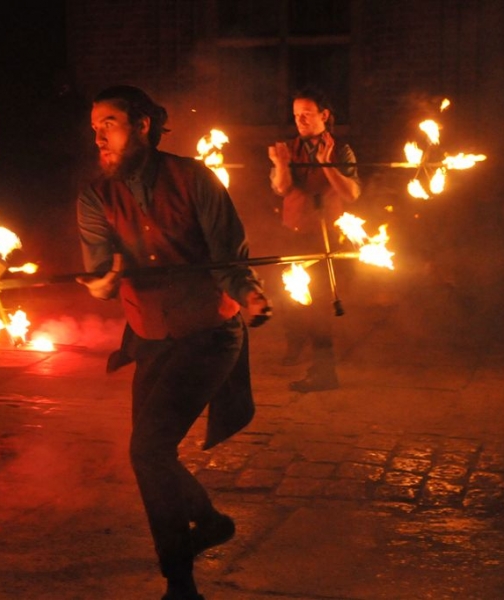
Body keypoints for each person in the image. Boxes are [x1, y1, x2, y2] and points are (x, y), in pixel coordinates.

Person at [76, 85, 271, 600]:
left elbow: (229, 258)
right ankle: (208, 522)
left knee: (148, 450)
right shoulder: (95, 196)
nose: (98, 136)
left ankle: (180, 583)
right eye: (94, 126)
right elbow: (100, 269)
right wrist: (102, 283)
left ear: (143, 125)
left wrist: (248, 295)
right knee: (150, 453)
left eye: (109, 123)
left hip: (208, 333)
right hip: (150, 336)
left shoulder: (195, 178)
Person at [267, 87, 361, 392]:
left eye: (307, 114)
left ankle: (324, 370)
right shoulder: (287, 149)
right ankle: (298, 345)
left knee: (319, 304)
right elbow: (281, 189)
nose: (300, 120)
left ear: (324, 115)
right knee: (292, 299)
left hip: (325, 236)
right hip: (294, 233)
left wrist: (326, 165)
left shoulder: (340, 150)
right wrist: (281, 165)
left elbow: (351, 193)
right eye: (296, 115)